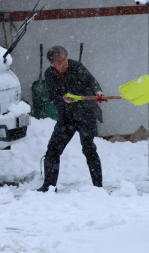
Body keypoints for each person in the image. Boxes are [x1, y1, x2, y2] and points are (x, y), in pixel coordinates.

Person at [37, 46, 107, 192]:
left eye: (65, 59)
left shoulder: (76, 67)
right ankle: (48, 187)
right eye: (60, 61)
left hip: (85, 113)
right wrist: (64, 100)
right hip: (67, 117)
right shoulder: (49, 74)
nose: (64, 63)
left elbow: (92, 82)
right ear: (52, 64)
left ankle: (98, 187)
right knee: (53, 150)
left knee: (88, 149)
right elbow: (54, 96)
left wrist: (98, 92)